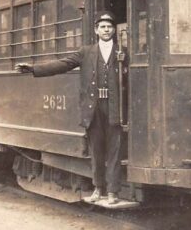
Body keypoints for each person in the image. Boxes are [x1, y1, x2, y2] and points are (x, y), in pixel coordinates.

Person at [15, 11, 127, 205]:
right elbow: (62, 64)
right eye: (103, 27)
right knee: (96, 151)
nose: (106, 30)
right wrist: (34, 69)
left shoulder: (123, 52)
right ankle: (98, 189)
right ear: (96, 30)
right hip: (93, 108)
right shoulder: (85, 52)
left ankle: (113, 193)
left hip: (114, 108)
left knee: (115, 152)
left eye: (109, 27)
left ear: (114, 30)